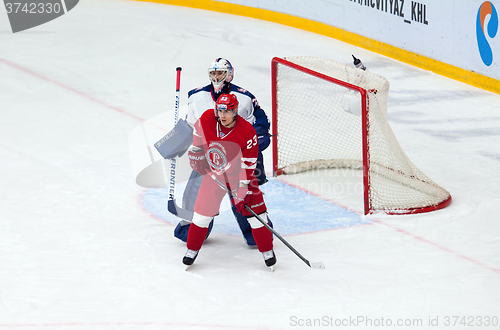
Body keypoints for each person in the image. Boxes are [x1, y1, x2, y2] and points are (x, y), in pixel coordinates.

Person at [174, 58, 271, 247]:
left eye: (220, 73)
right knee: (193, 196)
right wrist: (176, 141)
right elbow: (190, 126)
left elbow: (261, 125)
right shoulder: (196, 96)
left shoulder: (245, 98)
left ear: (230, 74)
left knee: (244, 198)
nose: (217, 77)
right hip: (209, 159)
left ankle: (258, 234)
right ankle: (191, 232)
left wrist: (258, 140)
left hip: (237, 161)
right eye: (213, 73)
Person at [183, 93, 276, 268]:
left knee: (257, 217)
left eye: (227, 112)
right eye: (220, 111)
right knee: (201, 216)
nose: (222, 116)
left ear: (235, 111)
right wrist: (196, 150)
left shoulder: (247, 132)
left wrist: (242, 191)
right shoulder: (208, 118)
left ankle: (267, 252)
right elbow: (197, 130)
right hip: (214, 175)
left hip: (240, 177)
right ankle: (192, 250)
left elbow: (248, 165)